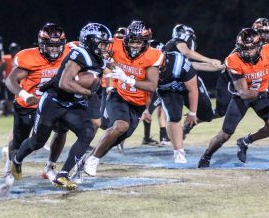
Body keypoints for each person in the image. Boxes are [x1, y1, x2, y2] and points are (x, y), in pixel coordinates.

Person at [10, 23, 113, 190]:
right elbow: (65, 83)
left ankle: (63, 175)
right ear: (91, 42)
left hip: (70, 104)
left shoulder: (95, 57)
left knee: (87, 132)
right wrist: (87, 92)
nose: (105, 47)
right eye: (102, 43)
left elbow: (100, 72)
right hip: (53, 101)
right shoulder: (79, 54)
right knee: (37, 141)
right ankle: (17, 160)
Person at [82, 20, 164, 176]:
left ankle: (87, 159)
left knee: (116, 138)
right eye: (132, 41)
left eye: (139, 42)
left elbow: (152, 85)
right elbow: (94, 46)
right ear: (126, 39)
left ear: (146, 42)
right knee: (121, 125)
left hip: (137, 104)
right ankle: (93, 161)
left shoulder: (154, 55)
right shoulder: (115, 45)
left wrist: (126, 78)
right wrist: (105, 62)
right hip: (118, 95)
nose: (135, 45)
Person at [198, 28, 269, 168]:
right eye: (243, 49)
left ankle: (245, 141)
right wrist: (268, 93)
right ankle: (207, 155)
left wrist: (266, 93)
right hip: (242, 98)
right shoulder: (233, 60)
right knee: (225, 134)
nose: (247, 52)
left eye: (251, 49)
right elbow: (244, 93)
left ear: (258, 46)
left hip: (263, 95)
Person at [5, 23, 70, 183]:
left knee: (62, 129)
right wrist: (24, 94)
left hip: (52, 105)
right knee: (20, 141)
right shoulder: (30, 58)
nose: (55, 49)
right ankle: (10, 165)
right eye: (50, 46)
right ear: (41, 44)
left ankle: (50, 166)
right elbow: (10, 80)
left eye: (57, 45)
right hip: (28, 106)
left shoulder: (69, 52)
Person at [235, 18, 269, 156]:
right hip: (243, 94)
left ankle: (246, 141)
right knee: (225, 128)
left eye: (268, 33)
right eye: (263, 33)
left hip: (262, 93)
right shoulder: (241, 50)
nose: (267, 36)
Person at [165, 24, 223, 138]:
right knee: (174, 116)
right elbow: (187, 52)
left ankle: (187, 125)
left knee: (208, 115)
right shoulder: (179, 39)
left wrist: (220, 67)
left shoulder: (178, 57)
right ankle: (176, 145)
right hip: (174, 85)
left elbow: (194, 65)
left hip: (180, 84)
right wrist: (210, 60)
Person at [141, 40, 170, 146]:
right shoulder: (151, 61)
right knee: (144, 114)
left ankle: (162, 137)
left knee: (161, 109)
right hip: (149, 90)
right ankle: (120, 138)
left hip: (154, 89)